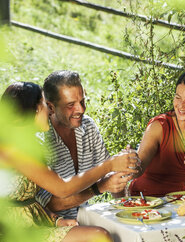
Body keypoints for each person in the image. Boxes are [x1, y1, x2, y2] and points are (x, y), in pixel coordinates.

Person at [0, 82, 138, 242]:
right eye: (45, 104)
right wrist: (109, 166)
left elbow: (23, 200)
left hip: (32, 225)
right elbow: (63, 188)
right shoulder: (14, 149)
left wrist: (56, 220)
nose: (49, 110)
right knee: (98, 237)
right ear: (36, 109)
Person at [36, 70, 133, 219]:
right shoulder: (39, 140)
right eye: (70, 105)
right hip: (52, 225)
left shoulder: (87, 125)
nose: (81, 109)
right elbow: (50, 203)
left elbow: (109, 171)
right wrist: (101, 186)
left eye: (82, 101)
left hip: (85, 219)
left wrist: (122, 170)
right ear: (51, 107)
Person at [129, 70, 185, 196]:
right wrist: (130, 162)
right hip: (147, 202)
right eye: (177, 97)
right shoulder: (159, 127)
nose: (180, 105)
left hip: (182, 205)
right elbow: (139, 168)